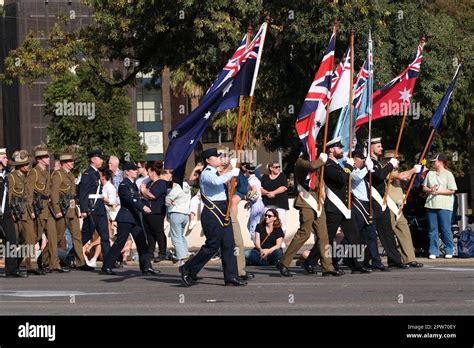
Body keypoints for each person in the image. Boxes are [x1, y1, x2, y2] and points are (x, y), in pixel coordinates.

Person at [179, 147, 245, 287]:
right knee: (212, 245)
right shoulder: (206, 173)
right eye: (216, 157)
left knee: (229, 244)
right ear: (208, 160)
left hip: (223, 209)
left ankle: (231, 277)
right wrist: (232, 172)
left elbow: (222, 178)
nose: (219, 158)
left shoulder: (216, 172)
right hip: (212, 212)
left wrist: (232, 170)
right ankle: (188, 268)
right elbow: (216, 181)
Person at [306, 137, 371, 274]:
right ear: (331, 150)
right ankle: (309, 262)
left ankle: (356, 265)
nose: (342, 150)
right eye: (339, 147)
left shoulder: (338, 165)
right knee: (327, 238)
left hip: (345, 207)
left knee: (354, 236)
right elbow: (341, 179)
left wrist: (349, 167)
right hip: (335, 207)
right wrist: (348, 166)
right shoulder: (328, 166)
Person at [276, 150, 338, 277]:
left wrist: (323, 197)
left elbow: (321, 181)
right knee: (304, 233)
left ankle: (328, 267)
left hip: (317, 201)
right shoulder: (301, 161)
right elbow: (311, 166)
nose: (315, 149)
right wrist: (321, 160)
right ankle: (284, 262)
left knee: (324, 236)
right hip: (305, 199)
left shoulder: (317, 161)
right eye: (312, 147)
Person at [101, 162, 156, 275]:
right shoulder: (124, 185)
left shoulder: (133, 184)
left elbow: (137, 198)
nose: (136, 171)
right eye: (133, 170)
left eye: (136, 169)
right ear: (127, 172)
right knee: (120, 242)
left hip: (134, 218)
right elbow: (131, 199)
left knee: (142, 242)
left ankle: (146, 267)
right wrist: (142, 207)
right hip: (125, 218)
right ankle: (107, 266)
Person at [25, 143, 69, 273]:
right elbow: (29, 193)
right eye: (45, 156)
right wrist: (31, 211)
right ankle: (30, 265)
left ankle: (53, 264)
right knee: (34, 238)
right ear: (39, 159)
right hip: (37, 208)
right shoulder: (33, 173)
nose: (48, 158)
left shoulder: (46, 173)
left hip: (47, 209)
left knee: (54, 235)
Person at [366, 137, 409, 269]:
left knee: (387, 232)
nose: (381, 148)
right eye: (378, 146)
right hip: (373, 201)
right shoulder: (369, 162)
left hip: (381, 202)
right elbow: (379, 176)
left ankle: (395, 260)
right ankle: (362, 260)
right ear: (371, 148)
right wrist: (390, 164)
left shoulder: (377, 163)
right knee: (368, 234)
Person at [50, 146, 94, 271]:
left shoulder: (70, 175)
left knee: (77, 236)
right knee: (57, 237)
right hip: (62, 210)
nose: (72, 163)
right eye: (70, 162)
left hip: (72, 210)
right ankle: (44, 259)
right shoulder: (58, 175)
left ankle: (80, 262)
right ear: (64, 163)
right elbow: (54, 194)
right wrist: (57, 210)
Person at [383, 150, 424, 268]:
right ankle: (367, 258)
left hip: (398, 208)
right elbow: (401, 176)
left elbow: (405, 178)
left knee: (404, 231)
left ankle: (409, 259)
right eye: (395, 159)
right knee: (385, 235)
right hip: (389, 208)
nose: (398, 162)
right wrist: (413, 170)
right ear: (387, 161)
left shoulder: (396, 172)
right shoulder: (386, 171)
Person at [351, 148, 388, 271]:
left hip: (367, 205)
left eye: (364, 159)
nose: (363, 161)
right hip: (358, 206)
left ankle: (376, 262)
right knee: (353, 236)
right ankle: (339, 259)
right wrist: (367, 167)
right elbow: (356, 178)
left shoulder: (364, 171)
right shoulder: (351, 170)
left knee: (371, 235)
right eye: (362, 159)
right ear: (355, 159)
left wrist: (369, 167)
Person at [7, 150, 43, 275]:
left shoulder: (27, 177)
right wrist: (9, 212)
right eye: (26, 164)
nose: (29, 166)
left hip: (26, 212)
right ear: (19, 165)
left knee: (31, 239)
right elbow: (9, 196)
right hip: (15, 212)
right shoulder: (11, 177)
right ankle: (11, 266)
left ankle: (32, 266)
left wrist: (32, 211)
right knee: (13, 240)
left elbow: (29, 197)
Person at [422, 153, 457, 259]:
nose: (433, 163)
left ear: (441, 162)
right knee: (433, 230)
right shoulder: (430, 174)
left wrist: (439, 192)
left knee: (445, 229)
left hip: (445, 205)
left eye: (435, 161)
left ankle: (449, 249)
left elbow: (452, 190)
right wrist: (430, 190)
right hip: (431, 205)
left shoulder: (448, 174)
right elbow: (424, 187)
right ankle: (433, 251)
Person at [0, 148, 28, 277]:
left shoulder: (6, 175)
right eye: (4, 157)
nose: (7, 160)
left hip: (6, 213)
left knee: (11, 240)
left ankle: (10, 270)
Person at [79, 149, 111, 260]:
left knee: (105, 236)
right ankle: (71, 256)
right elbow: (83, 192)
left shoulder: (96, 173)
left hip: (99, 208)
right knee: (85, 236)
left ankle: (108, 261)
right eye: (100, 158)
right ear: (93, 159)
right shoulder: (87, 174)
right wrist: (83, 210)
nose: (102, 160)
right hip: (91, 209)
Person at [140, 161, 170, 262]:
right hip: (147, 211)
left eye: (149, 171)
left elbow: (152, 195)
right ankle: (150, 252)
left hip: (156, 212)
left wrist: (144, 190)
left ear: (153, 171)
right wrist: (144, 192)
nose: (148, 174)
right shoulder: (149, 183)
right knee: (149, 233)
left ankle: (162, 253)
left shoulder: (161, 183)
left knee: (158, 232)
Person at [166, 178, 192, 266]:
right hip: (185, 214)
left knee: (176, 237)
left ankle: (181, 258)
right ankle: (185, 254)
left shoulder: (178, 187)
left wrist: (169, 203)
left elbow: (168, 198)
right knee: (181, 236)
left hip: (176, 213)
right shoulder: (187, 187)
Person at [260, 161, 289, 233]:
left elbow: (284, 187)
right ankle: (269, 241)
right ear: (271, 168)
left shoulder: (282, 176)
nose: (278, 168)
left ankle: (281, 242)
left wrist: (273, 193)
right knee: (267, 223)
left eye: (279, 167)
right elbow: (260, 188)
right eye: (276, 167)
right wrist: (267, 193)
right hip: (267, 203)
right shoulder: (264, 177)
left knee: (281, 223)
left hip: (280, 203)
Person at [245, 164, 265, 242]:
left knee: (253, 228)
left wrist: (248, 198)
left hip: (256, 204)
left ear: (247, 171)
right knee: (251, 226)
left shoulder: (251, 179)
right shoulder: (256, 179)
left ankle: (259, 248)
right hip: (260, 203)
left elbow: (254, 190)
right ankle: (259, 245)